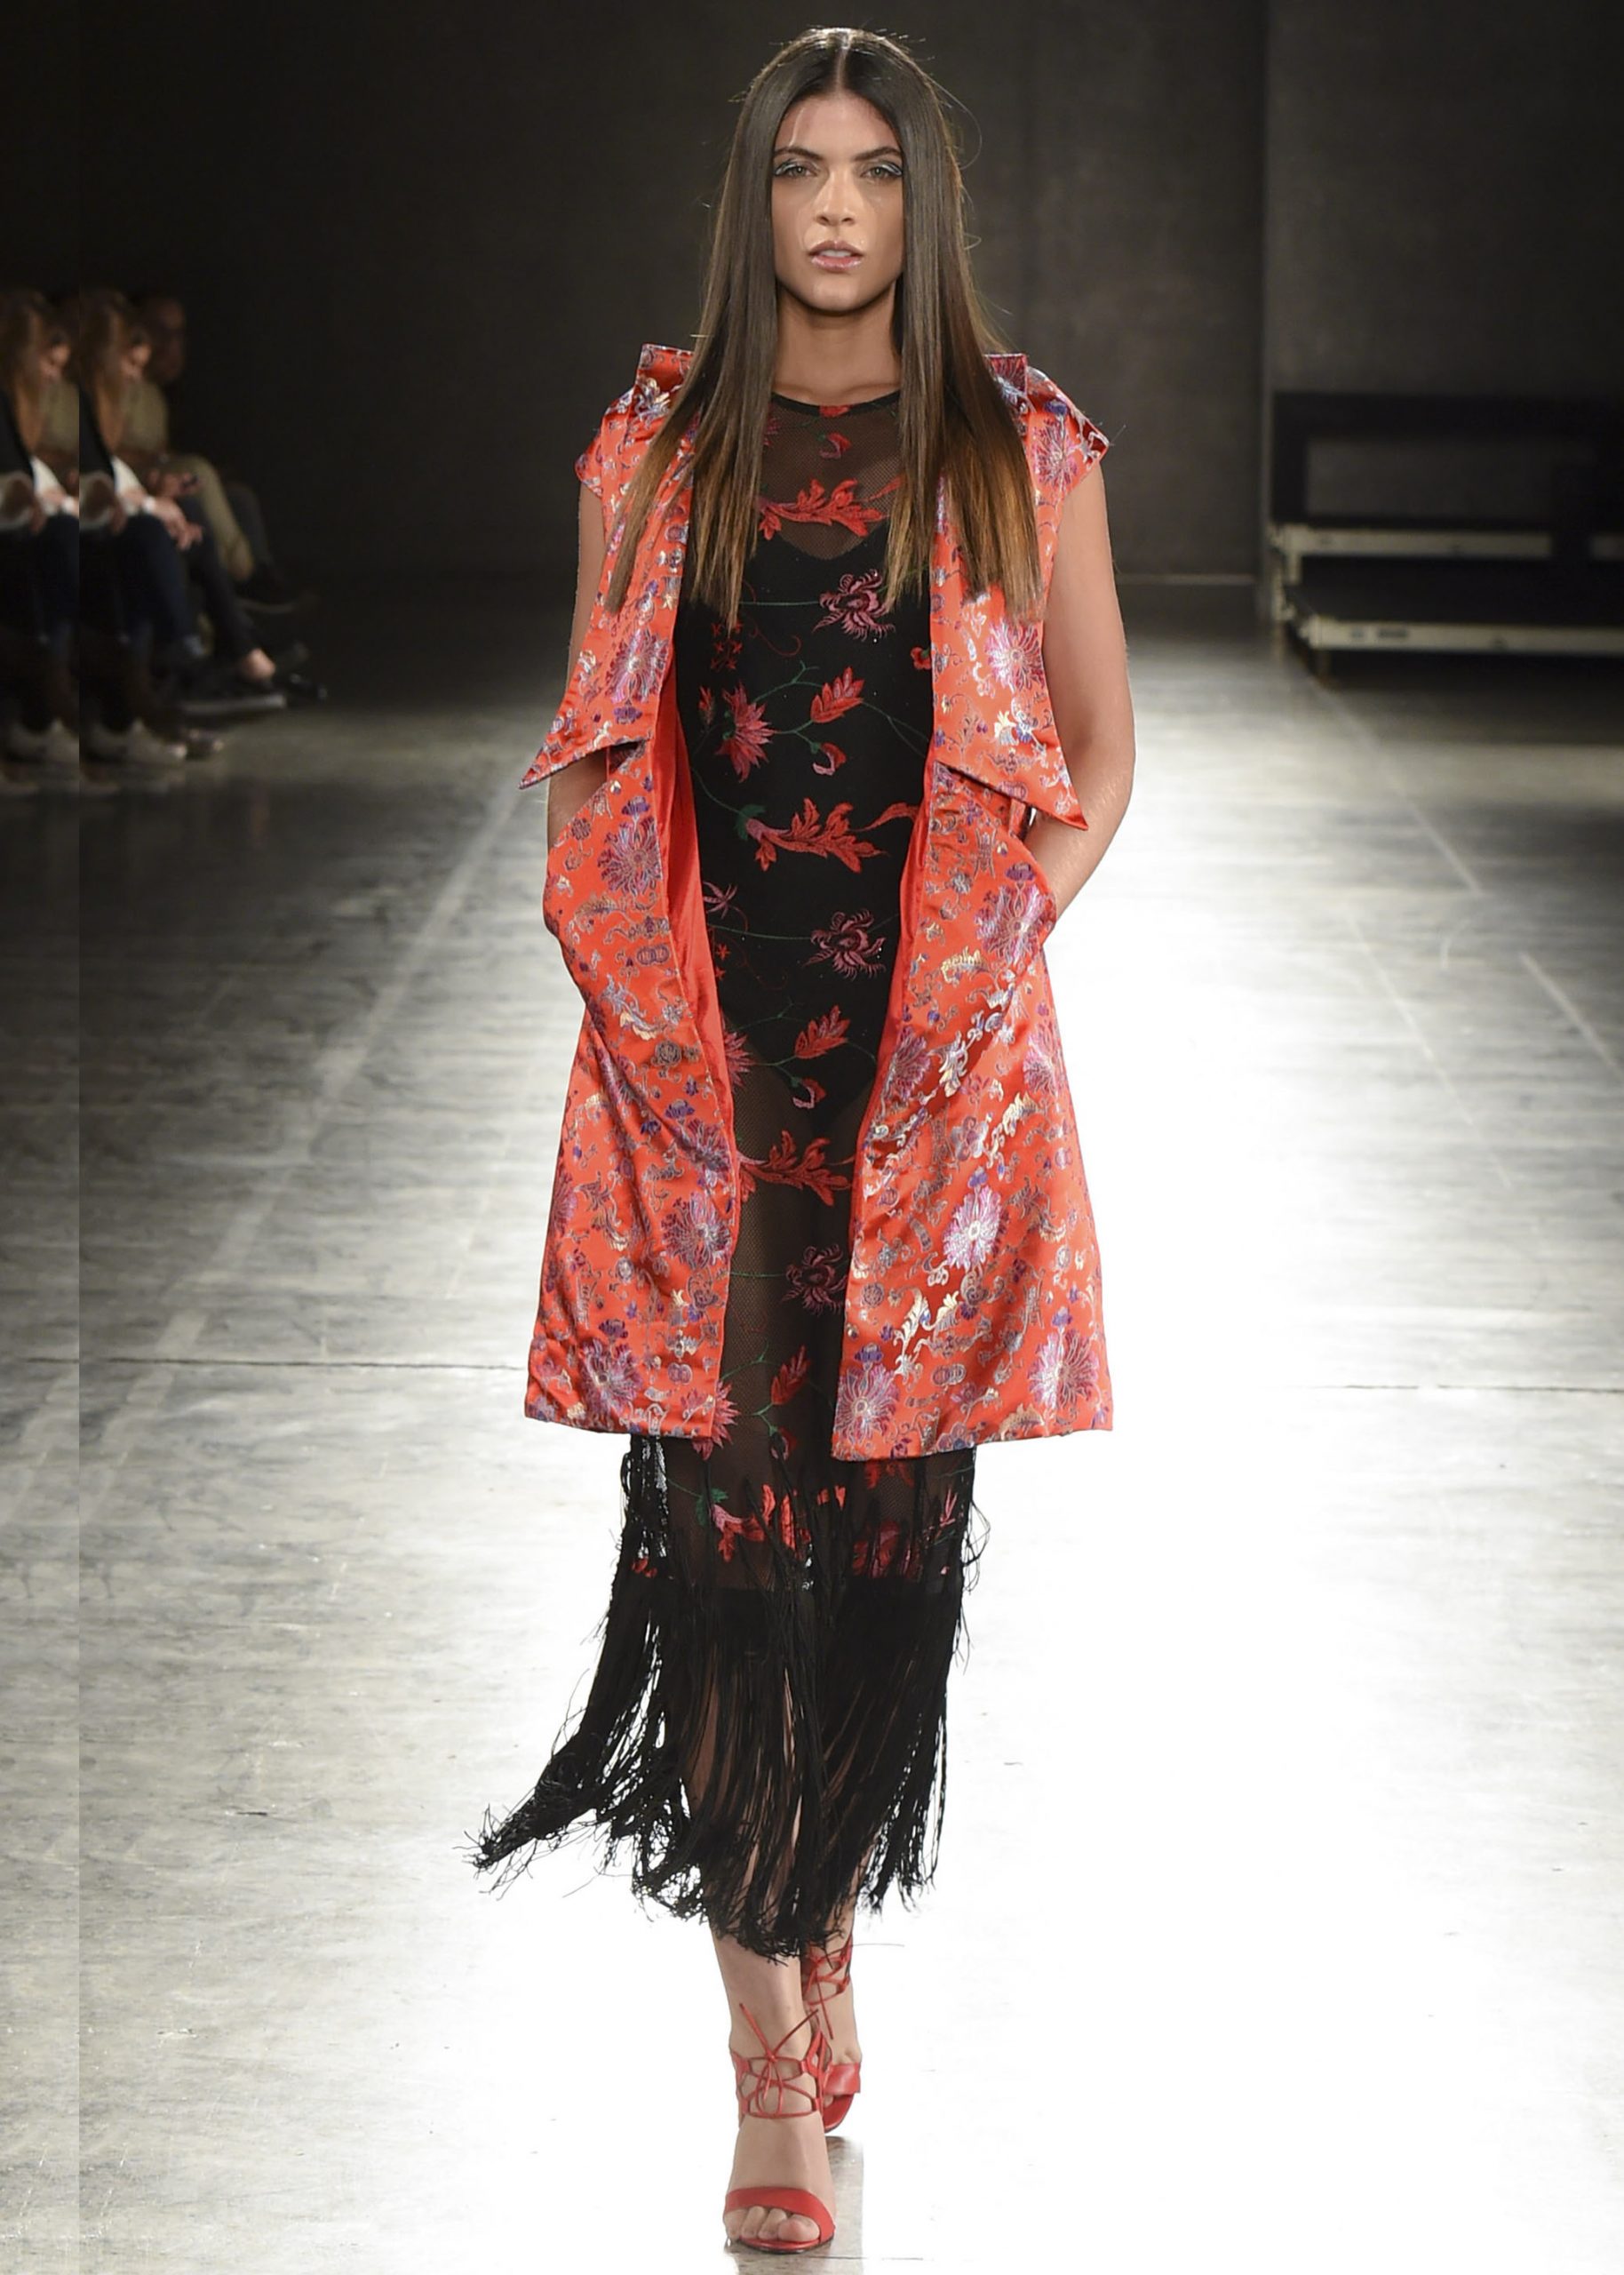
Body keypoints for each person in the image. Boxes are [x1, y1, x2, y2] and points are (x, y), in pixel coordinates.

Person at [469, 26, 1134, 2255]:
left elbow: (1096, 754)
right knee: (722, 1554)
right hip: (711, 1090)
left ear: (920, 202)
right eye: (797, 171)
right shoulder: (657, 449)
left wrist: (991, 959)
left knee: (878, 1564)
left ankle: (818, 1899)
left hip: (921, 1100)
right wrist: (633, 1002)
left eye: (872, 172)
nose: (834, 210)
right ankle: (765, 2052)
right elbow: (590, 756)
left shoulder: (1015, 449)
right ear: (750, 199)